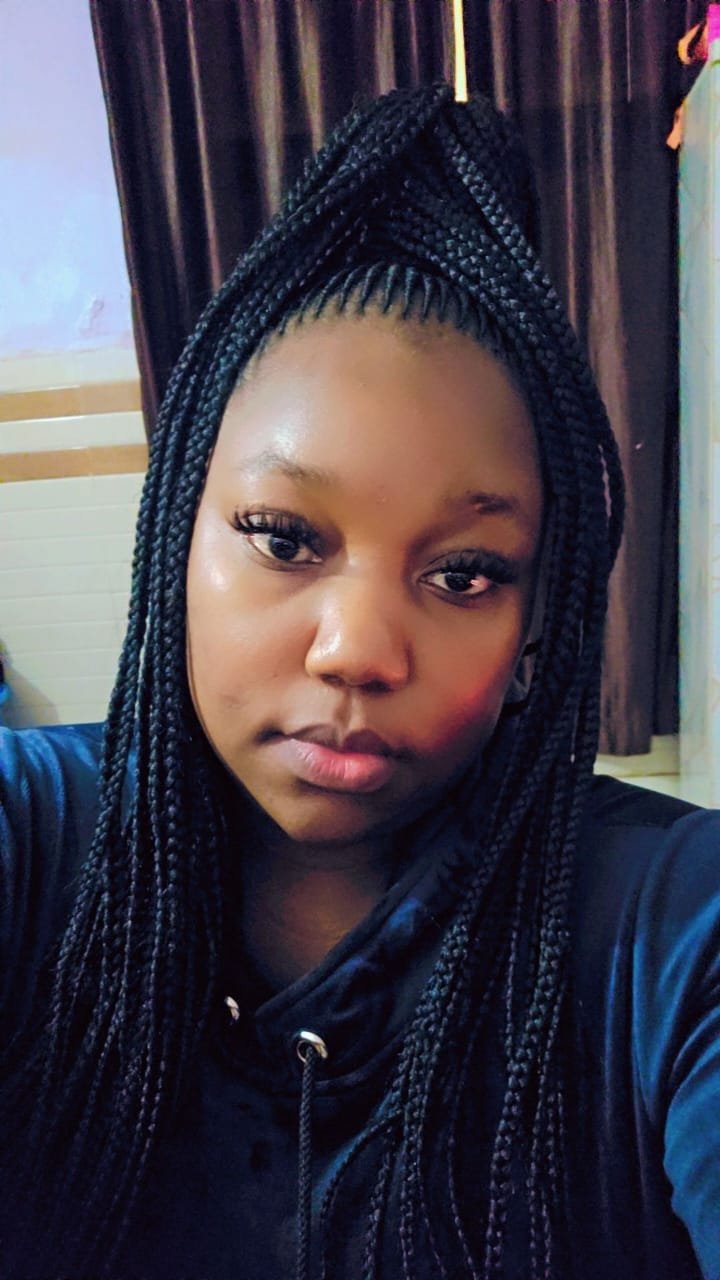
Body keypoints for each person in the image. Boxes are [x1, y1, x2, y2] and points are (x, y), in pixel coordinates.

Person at [0, 82, 718, 1280]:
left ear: (536, 626)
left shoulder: (673, 933)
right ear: (176, 538)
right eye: (285, 537)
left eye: (465, 573)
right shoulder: (31, 837)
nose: (358, 649)